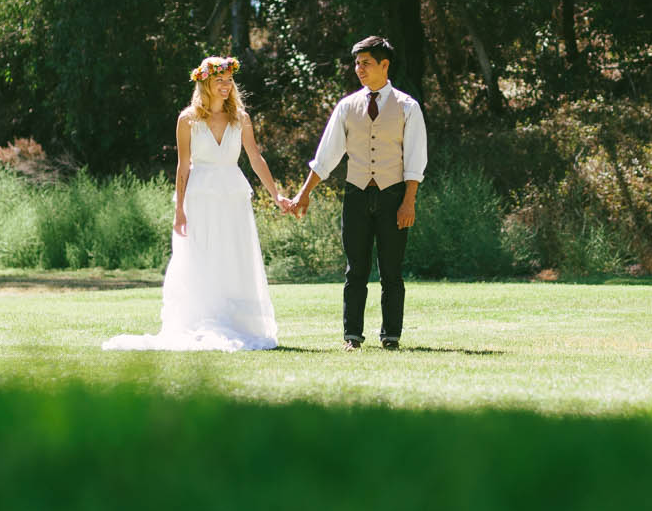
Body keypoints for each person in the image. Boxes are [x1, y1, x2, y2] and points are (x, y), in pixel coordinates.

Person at [104, 55, 283, 352]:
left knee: (234, 254)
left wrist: (276, 195)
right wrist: (179, 211)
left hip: (232, 195)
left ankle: (237, 321)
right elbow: (183, 167)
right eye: (219, 81)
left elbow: (255, 157)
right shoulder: (187, 120)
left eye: (229, 81)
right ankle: (201, 316)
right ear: (205, 82)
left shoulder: (241, 118)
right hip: (199, 197)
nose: (225, 86)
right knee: (200, 256)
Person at [281, 35, 428, 350]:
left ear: (384, 65)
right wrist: (304, 193)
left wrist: (408, 201)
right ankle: (352, 337)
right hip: (357, 195)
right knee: (355, 269)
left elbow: (415, 159)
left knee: (391, 270)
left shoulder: (408, 107)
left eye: (366, 63)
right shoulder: (347, 106)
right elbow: (327, 155)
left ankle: (391, 336)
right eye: (357, 63)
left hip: (393, 195)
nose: (359, 69)